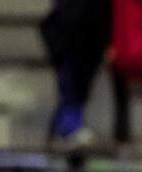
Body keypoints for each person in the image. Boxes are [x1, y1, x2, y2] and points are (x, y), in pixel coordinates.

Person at [39, 0, 112, 152]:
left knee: (76, 92)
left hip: (90, 41)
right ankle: (69, 129)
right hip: (71, 41)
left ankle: (60, 133)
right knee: (70, 91)